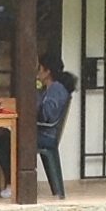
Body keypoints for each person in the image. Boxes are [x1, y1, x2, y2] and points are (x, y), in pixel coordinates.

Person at [33, 54, 77, 198]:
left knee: (9, 140)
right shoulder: (50, 88)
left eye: (39, 69)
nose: (37, 72)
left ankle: (11, 183)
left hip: (46, 135)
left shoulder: (56, 89)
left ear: (47, 71)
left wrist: (34, 95)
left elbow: (46, 115)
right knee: (3, 136)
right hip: (45, 132)